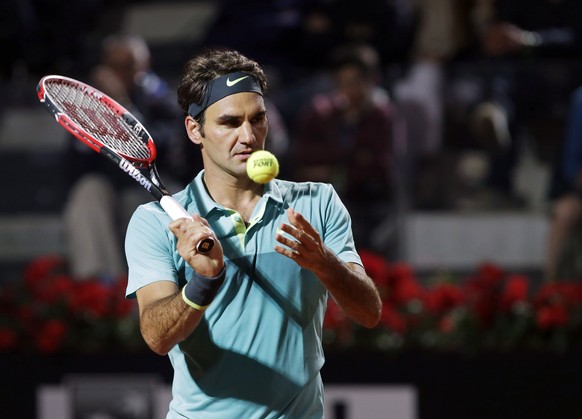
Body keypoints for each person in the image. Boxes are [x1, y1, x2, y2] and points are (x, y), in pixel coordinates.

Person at [124, 49, 382, 418]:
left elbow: (369, 313)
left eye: (257, 119)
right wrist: (204, 279)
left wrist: (323, 263)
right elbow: (157, 336)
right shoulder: (154, 222)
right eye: (230, 122)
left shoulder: (317, 202)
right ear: (194, 129)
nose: (249, 136)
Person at [63, 34, 185, 281]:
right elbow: (73, 167)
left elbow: (158, 150)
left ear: (144, 67)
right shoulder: (87, 105)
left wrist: (121, 104)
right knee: (87, 192)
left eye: (127, 66)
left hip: (156, 186)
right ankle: (100, 288)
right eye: (113, 66)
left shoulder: (163, 99)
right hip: (111, 186)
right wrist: (92, 121)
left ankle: (177, 283)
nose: (120, 73)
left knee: (176, 203)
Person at [292, 43, 397, 251]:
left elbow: (378, 165)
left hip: (366, 203)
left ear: (372, 80)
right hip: (321, 200)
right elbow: (304, 157)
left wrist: (336, 166)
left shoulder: (382, 117)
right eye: (343, 83)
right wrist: (347, 157)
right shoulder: (320, 113)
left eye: (355, 83)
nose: (349, 91)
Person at [545, 86, 582, 281]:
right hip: (577, 191)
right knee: (564, 212)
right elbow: (571, 163)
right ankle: (550, 289)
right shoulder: (580, 99)